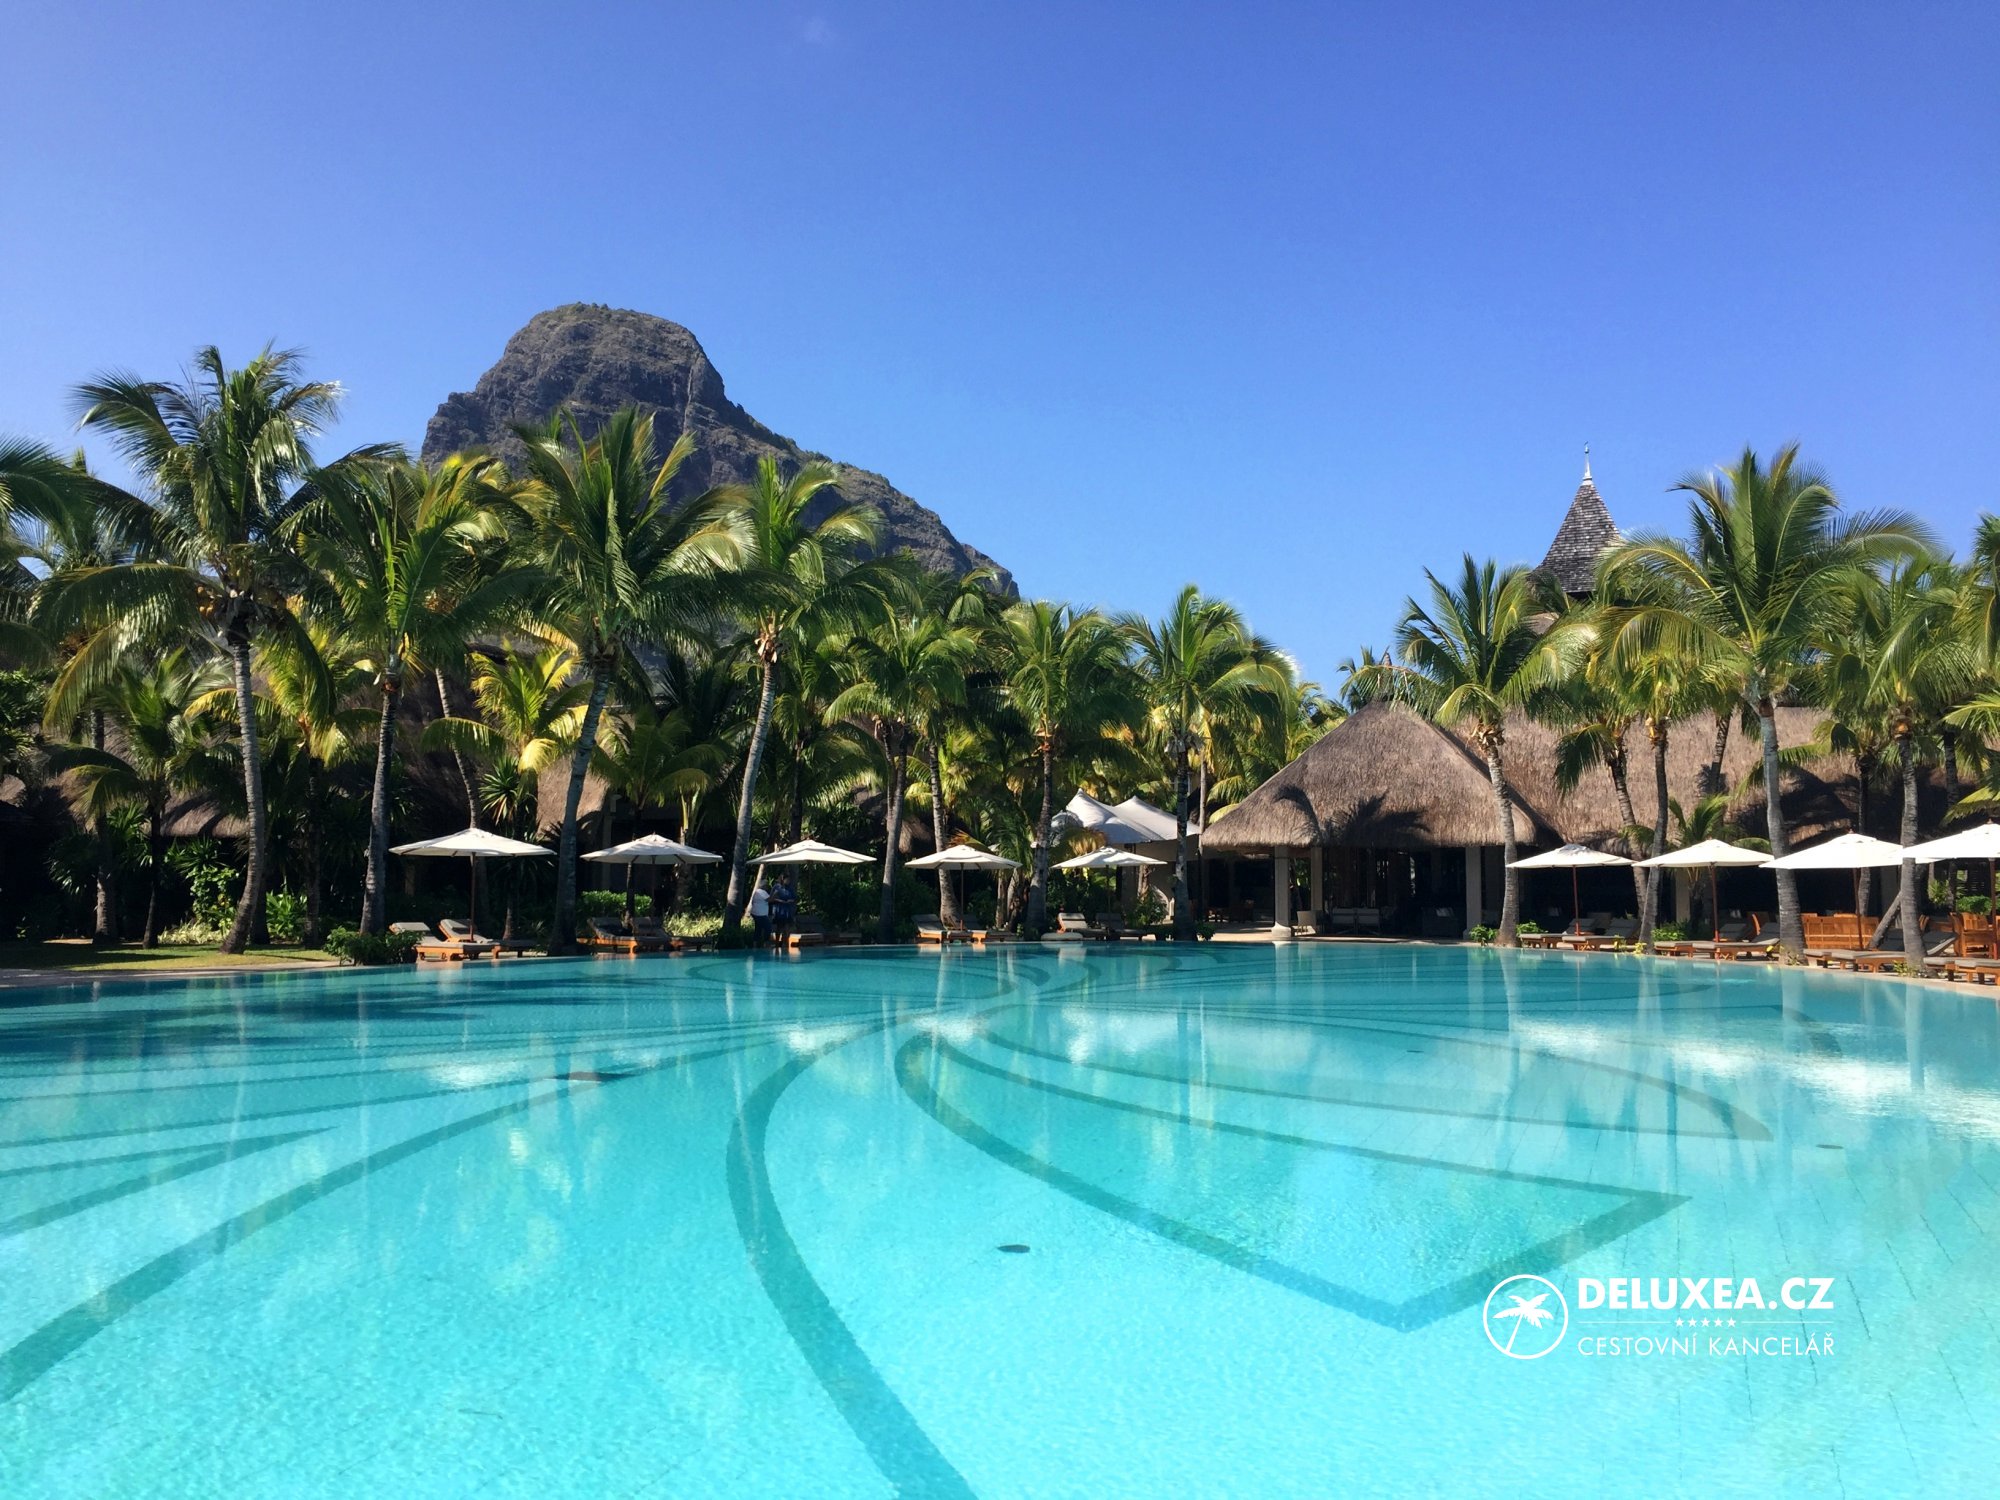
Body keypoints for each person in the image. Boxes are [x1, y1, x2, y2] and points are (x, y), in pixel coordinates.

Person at [771, 873, 797, 948]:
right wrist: (780, 901)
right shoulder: (777, 887)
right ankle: (777, 944)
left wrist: (790, 901)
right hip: (779, 909)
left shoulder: (790, 888)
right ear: (783, 879)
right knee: (779, 928)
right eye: (787, 879)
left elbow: (794, 898)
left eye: (789, 880)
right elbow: (771, 898)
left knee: (786, 928)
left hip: (787, 910)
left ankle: (785, 944)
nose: (788, 881)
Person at [748, 880, 771, 948]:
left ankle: (755, 945)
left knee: (758, 929)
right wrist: (775, 894)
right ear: (764, 886)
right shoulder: (762, 892)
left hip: (755, 913)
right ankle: (765, 944)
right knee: (768, 928)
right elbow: (769, 899)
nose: (767, 887)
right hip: (761, 914)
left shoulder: (756, 892)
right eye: (766, 885)